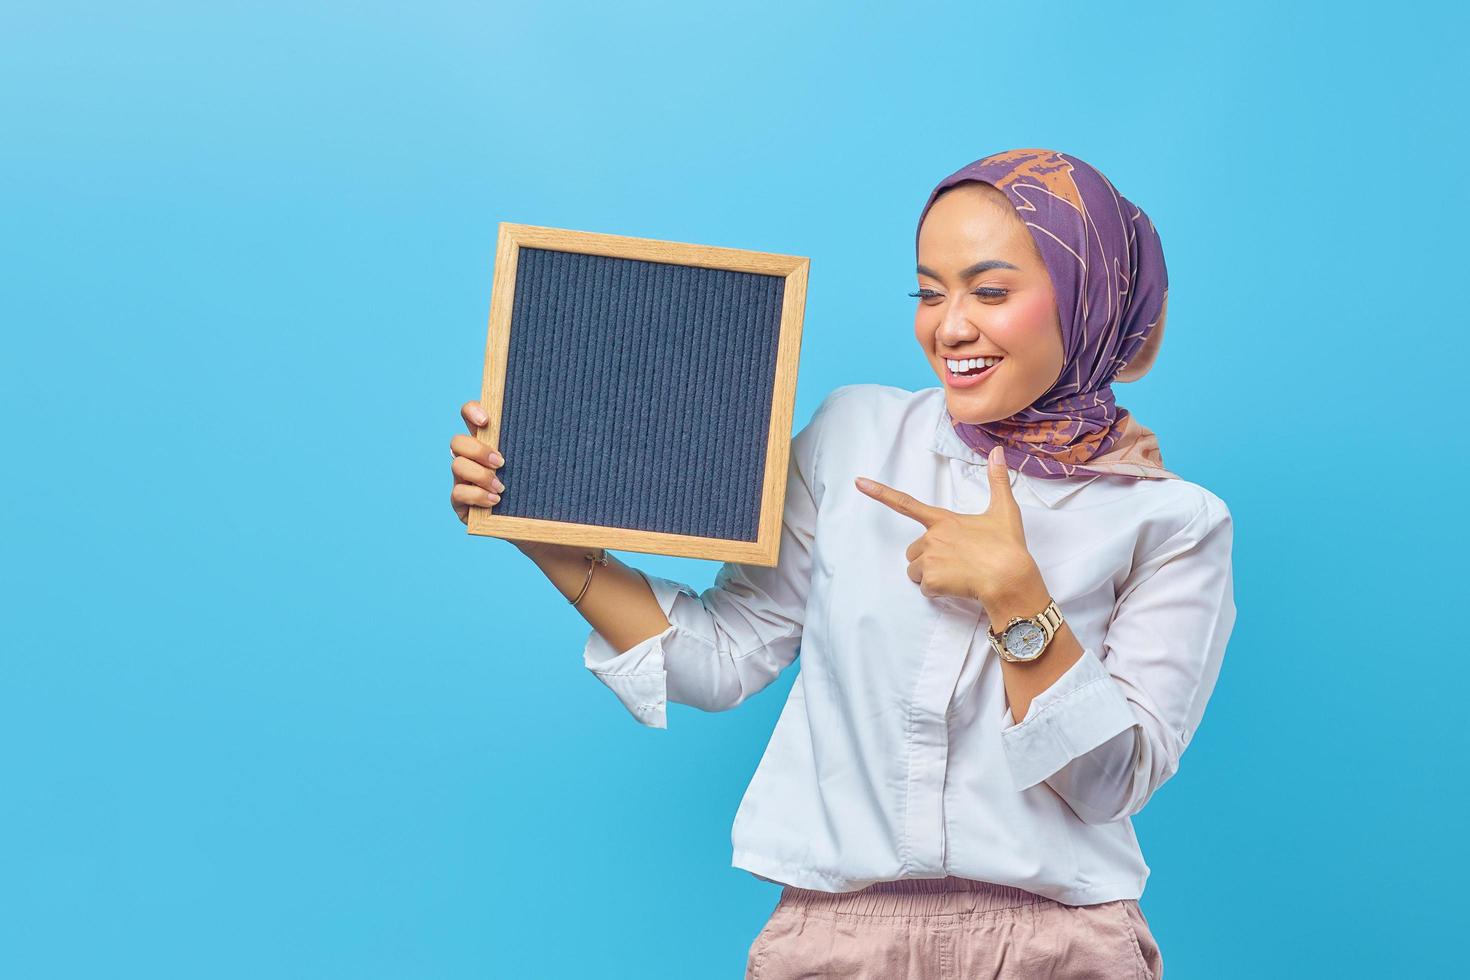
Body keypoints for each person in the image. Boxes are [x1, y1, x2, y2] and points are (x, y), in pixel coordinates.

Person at [448, 148, 1234, 979]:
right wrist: (537, 528)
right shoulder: (854, 437)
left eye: (991, 291)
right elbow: (721, 656)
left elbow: (1112, 785)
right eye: (930, 293)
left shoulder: (1173, 521)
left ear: (1090, 300)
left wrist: (1017, 599)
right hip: (836, 945)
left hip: (1062, 948)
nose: (951, 326)